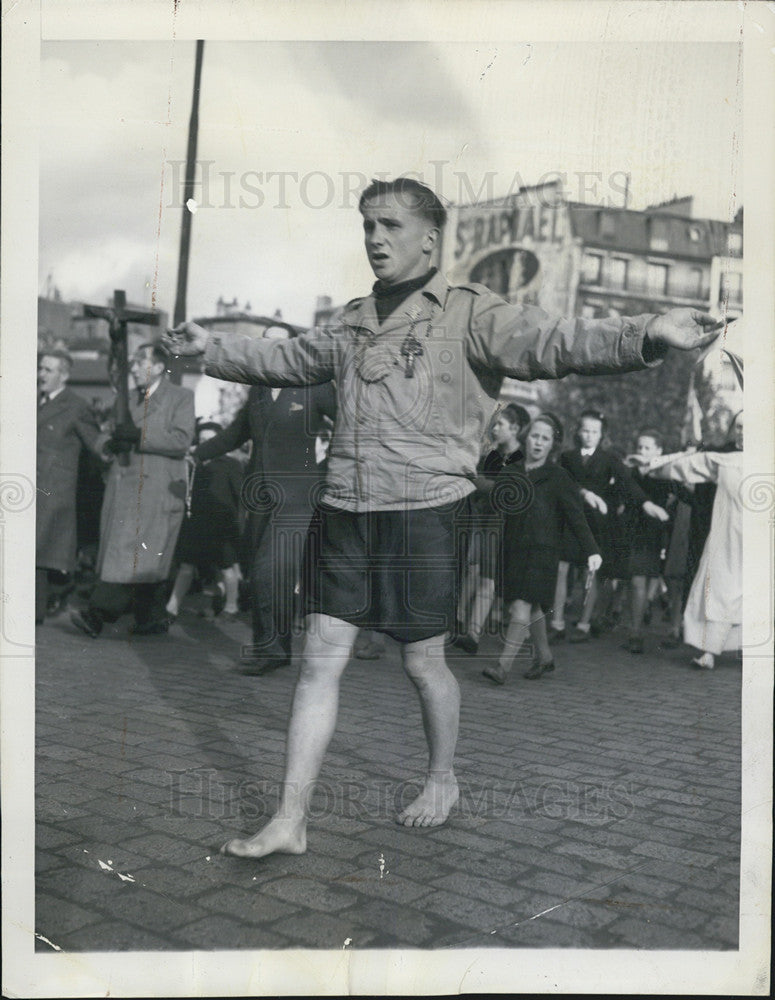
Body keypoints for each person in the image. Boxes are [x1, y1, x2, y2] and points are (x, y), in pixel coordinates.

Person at [164, 175, 721, 857]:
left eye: (390, 225)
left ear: (429, 239)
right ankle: (290, 818)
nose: (374, 237)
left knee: (422, 664)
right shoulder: (351, 321)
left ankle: (441, 776)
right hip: (345, 505)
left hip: (424, 509)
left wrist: (647, 334)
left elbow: (557, 341)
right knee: (318, 664)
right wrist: (206, 349)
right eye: (367, 224)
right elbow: (281, 357)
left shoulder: (470, 312)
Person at [192, 371, 336, 674]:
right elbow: (237, 432)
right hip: (259, 496)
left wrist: (326, 471)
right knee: (260, 570)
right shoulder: (258, 389)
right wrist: (199, 453)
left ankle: (272, 649)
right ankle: (270, 647)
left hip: (298, 496)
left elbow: (349, 426)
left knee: (269, 570)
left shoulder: (314, 384)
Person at [70, 342, 195, 638]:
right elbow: (108, 436)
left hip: (154, 489)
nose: (135, 369)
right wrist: (106, 446)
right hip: (124, 485)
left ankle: (98, 614)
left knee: (131, 552)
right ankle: (150, 618)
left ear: (161, 366)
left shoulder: (180, 397)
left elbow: (181, 440)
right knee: (140, 554)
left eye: (141, 362)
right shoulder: (126, 401)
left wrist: (139, 435)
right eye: (134, 363)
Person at [483, 413, 602, 685]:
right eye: (535, 436)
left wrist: (592, 551)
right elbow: (494, 502)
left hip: (543, 553)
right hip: (514, 549)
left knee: (521, 606)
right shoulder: (512, 471)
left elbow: (576, 517)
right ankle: (545, 657)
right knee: (533, 605)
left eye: (545, 439)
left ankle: (502, 666)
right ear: (526, 439)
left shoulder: (559, 477)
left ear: (553, 445)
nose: (538, 443)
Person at [630, 411, 743, 670]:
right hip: (726, 537)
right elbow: (688, 464)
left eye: (749, 427)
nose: (743, 432)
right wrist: (652, 463)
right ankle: (709, 651)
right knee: (718, 589)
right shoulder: (724, 459)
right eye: (738, 427)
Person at [550, 410, 668, 643]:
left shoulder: (609, 459)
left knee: (591, 571)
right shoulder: (567, 457)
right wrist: (583, 493)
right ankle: (557, 622)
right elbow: (561, 483)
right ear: (578, 431)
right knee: (561, 568)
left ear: (602, 434)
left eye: (595, 432)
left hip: (597, 523)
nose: (589, 436)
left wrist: (645, 503)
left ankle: (583, 624)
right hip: (570, 519)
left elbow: (627, 483)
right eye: (585, 430)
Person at [453, 402, 530, 655]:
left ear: (515, 428)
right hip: (483, 520)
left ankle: (473, 633)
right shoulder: (492, 456)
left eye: (500, 425)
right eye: (494, 424)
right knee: (472, 570)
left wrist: (476, 481)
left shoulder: (522, 459)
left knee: (488, 577)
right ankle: (462, 623)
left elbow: (504, 489)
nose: (494, 429)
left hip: (506, 524)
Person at [36, 350, 102, 624]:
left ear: (63, 375)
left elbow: (96, 444)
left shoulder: (75, 406)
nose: (41, 375)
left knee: (41, 552)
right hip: (28, 486)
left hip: (53, 488)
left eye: (48, 370)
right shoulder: (32, 401)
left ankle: (39, 607)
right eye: (40, 368)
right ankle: (47, 598)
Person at [165, 421, 244, 623]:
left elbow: (241, 496)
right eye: (201, 441)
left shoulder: (231, 465)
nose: (205, 445)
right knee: (187, 566)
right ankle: (171, 607)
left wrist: (239, 524)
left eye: (210, 441)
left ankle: (231, 607)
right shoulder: (195, 466)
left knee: (227, 567)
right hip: (198, 523)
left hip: (222, 524)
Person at [620, 429, 674, 654]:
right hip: (629, 530)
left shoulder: (664, 474)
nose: (642, 451)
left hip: (650, 534)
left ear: (658, 451)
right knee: (633, 582)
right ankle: (636, 623)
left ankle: (635, 632)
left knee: (638, 581)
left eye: (647, 448)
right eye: (640, 447)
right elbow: (625, 490)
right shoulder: (631, 472)